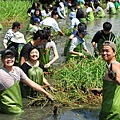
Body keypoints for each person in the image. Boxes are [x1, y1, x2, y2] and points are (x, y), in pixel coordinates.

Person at [0, 49, 53, 114]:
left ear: (14, 58)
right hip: (7, 108)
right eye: (6, 58)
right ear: (2, 60)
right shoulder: (1, 73)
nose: (9, 59)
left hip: (18, 105)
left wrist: (46, 94)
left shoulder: (17, 70)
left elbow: (31, 83)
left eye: (11, 57)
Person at [99, 41, 120, 120]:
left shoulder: (114, 66)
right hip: (109, 107)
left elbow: (118, 80)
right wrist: (102, 90)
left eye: (107, 51)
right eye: (103, 51)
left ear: (114, 52)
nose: (104, 53)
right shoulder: (111, 65)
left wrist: (116, 79)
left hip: (112, 110)